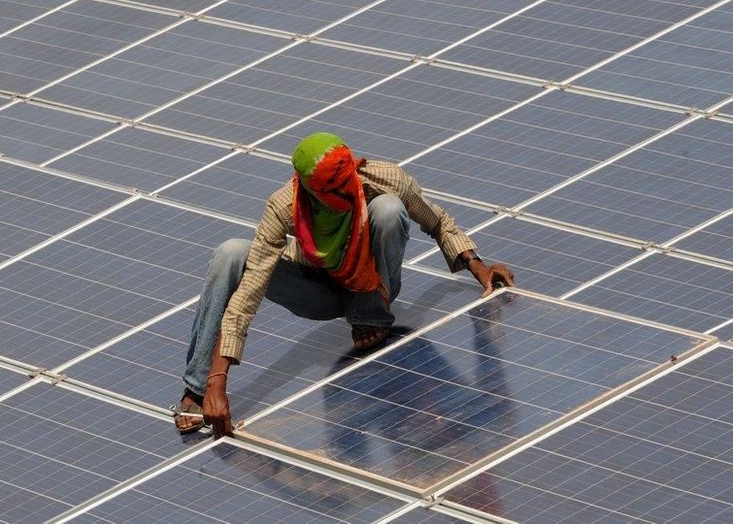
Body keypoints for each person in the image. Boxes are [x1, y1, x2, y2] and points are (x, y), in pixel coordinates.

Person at [175, 132, 515, 435]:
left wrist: (478, 267)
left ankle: (370, 316)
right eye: (331, 190)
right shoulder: (284, 205)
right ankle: (196, 388)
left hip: (373, 284)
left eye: (345, 182)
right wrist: (218, 379)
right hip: (318, 289)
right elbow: (249, 292)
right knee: (229, 253)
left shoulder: (382, 178)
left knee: (388, 209)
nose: (343, 192)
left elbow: (436, 219)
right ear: (307, 187)